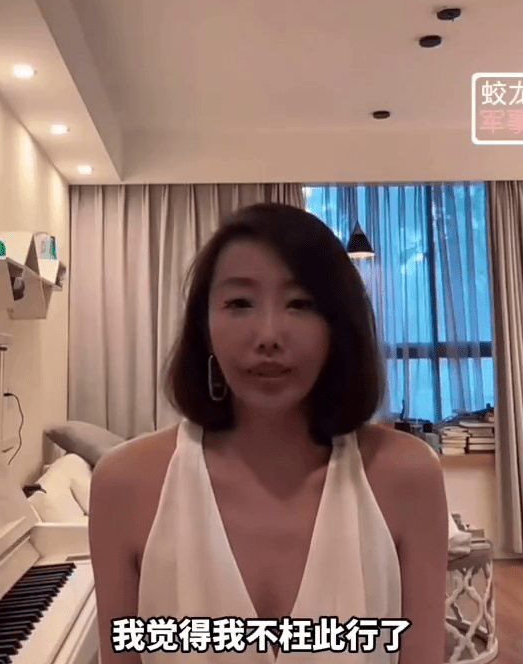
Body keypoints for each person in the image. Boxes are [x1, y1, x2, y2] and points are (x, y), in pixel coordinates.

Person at [89, 202, 448, 663]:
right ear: (205, 326)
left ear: (338, 326)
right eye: (240, 303)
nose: (268, 335)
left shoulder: (406, 476)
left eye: (301, 303)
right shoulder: (125, 484)